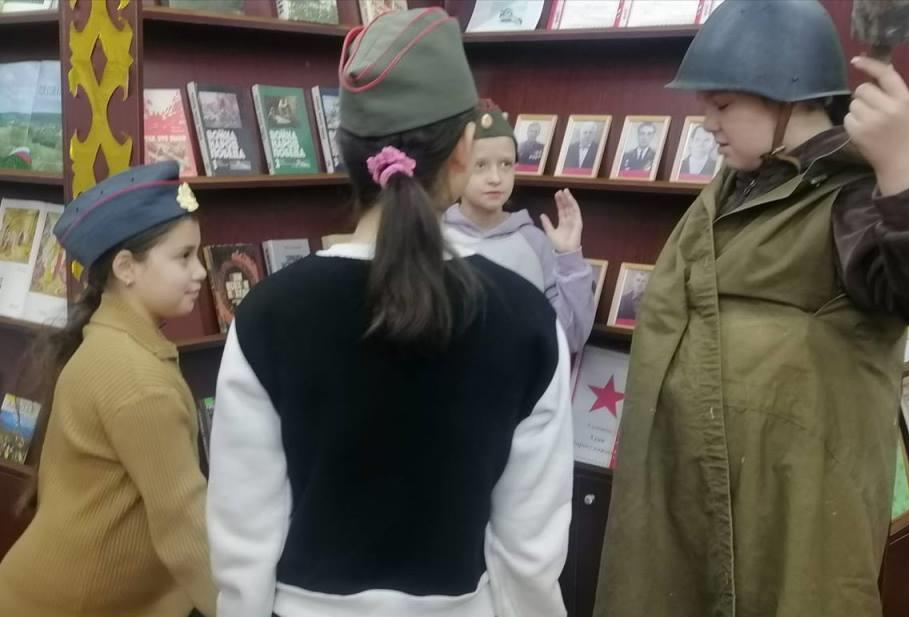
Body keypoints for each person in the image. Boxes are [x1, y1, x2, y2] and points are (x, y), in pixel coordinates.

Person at [594, 2, 909, 617]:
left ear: (788, 96)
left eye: (723, 104)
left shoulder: (854, 203)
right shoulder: (742, 183)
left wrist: (903, 171)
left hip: (781, 514)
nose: (706, 121)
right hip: (687, 493)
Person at [206, 8, 573, 617]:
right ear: (464, 151)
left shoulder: (266, 315)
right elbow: (529, 555)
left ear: (346, 152)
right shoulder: (528, 321)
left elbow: (243, 542)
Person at [0, 161, 217, 617]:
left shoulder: (106, 341)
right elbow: (184, 527)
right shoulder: (138, 380)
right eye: (183, 257)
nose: (200, 271)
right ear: (126, 268)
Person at [444, 101, 596, 353]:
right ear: (456, 168)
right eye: (480, 165)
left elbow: (569, 337)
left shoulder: (535, 243)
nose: (496, 178)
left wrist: (569, 257)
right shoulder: (432, 236)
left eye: (506, 164)